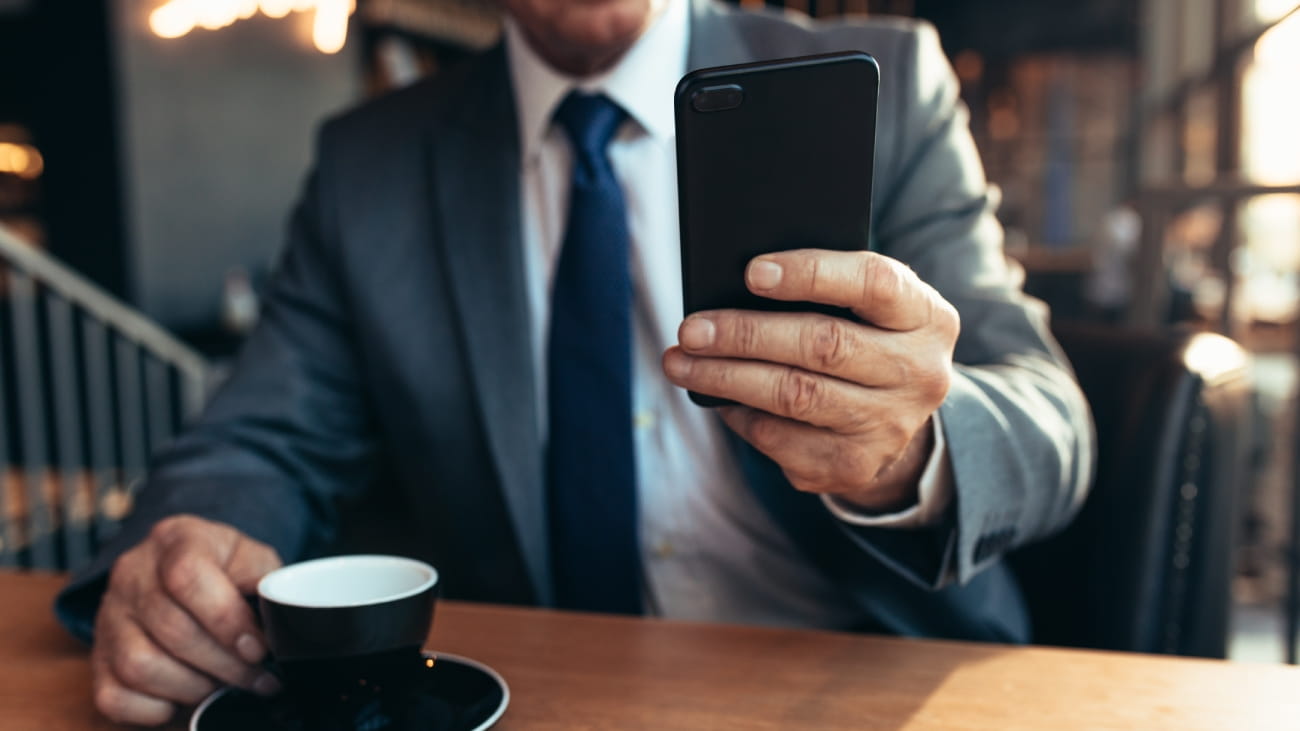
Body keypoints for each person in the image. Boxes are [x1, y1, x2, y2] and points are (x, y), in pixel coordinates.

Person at [57, 0, 1094, 724]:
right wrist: (174, 555)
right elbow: (260, 437)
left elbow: (1050, 418)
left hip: (868, 682)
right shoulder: (368, 164)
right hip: (539, 695)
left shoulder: (889, 82)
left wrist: (910, 448)